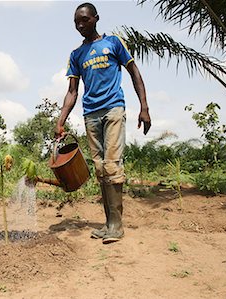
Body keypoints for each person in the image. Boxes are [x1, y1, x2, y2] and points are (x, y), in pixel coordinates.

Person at [55, 2, 151, 244]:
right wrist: (61, 120)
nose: (80, 25)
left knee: (112, 165)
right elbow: (72, 91)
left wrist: (144, 107)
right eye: (76, 22)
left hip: (113, 109)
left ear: (96, 18)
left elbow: (134, 72)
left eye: (84, 20)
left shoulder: (113, 43)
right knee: (100, 169)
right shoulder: (76, 55)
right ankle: (108, 223)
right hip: (91, 115)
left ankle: (116, 226)